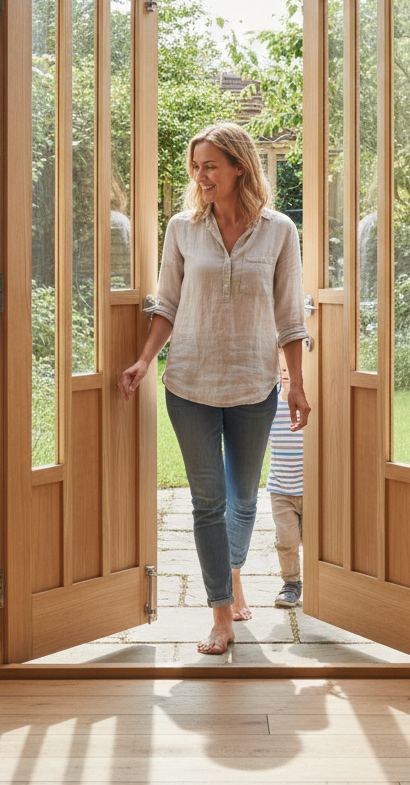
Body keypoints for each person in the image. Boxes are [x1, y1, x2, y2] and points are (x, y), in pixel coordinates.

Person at [118, 122, 311, 655]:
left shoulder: (279, 232)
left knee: (243, 499)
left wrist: (295, 384)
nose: (200, 177)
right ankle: (220, 612)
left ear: (238, 168)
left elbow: (290, 313)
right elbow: (168, 304)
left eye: (210, 166)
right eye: (195, 167)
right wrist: (143, 360)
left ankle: (232, 575)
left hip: (254, 384)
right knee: (208, 503)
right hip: (189, 382)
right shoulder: (182, 228)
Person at [266, 355, 304, 608]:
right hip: (280, 488)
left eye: (290, 368)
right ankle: (291, 584)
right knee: (286, 542)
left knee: (318, 542)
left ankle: (326, 582)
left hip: (312, 487)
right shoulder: (269, 407)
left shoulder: (307, 404)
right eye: (281, 369)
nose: (286, 373)